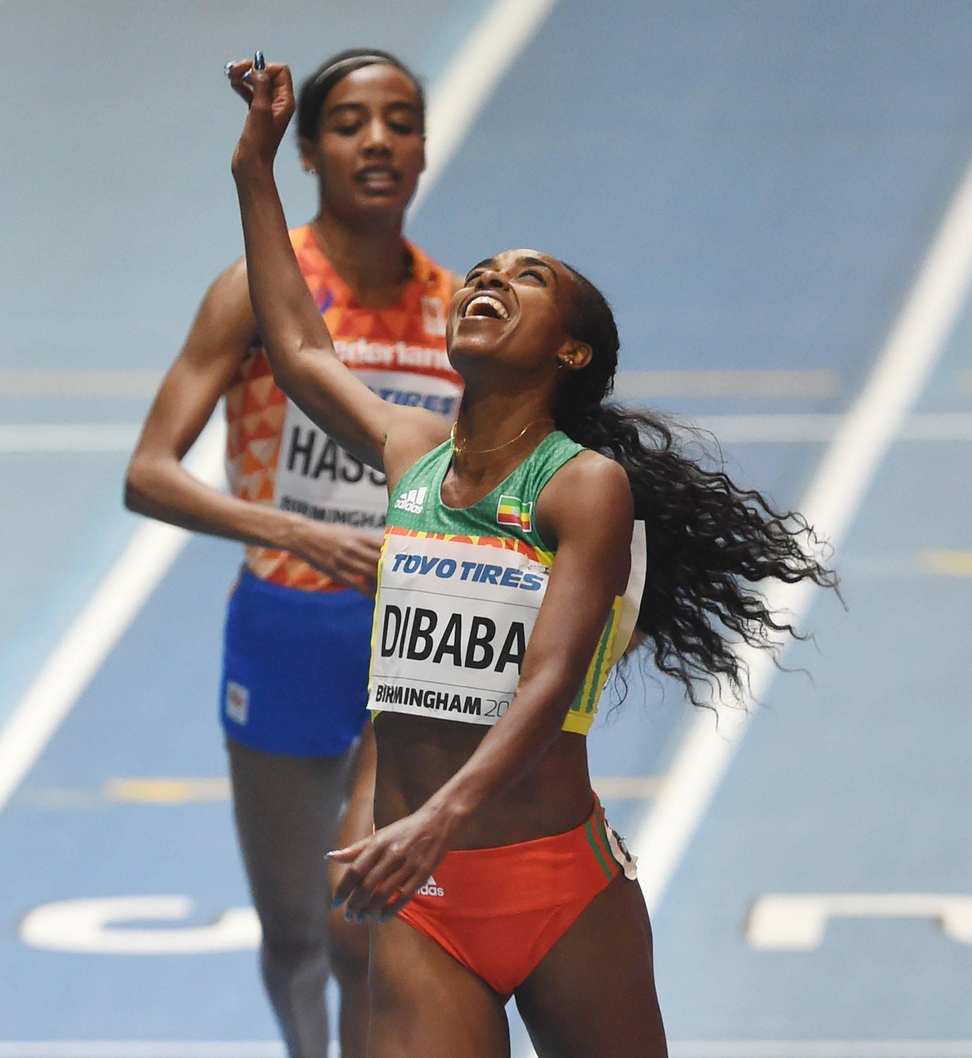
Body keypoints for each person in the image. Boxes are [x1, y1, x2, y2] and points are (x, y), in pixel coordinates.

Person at [225, 59, 834, 1056]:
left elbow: (546, 684)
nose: (487, 281)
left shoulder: (579, 485)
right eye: (480, 272)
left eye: (527, 278)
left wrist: (435, 815)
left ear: (573, 353)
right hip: (420, 894)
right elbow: (297, 348)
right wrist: (255, 166)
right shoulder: (412, 453)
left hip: (556, 884)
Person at [126, 49, 460, 1058]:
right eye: (352, 121)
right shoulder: (256, 294)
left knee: (371, 909)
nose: (378, 140)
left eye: (400, 120)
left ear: (422, 148)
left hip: (415, 633)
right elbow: (149, 472)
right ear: (308, 149)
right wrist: (297, 529)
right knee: (294, 928)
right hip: (287, 622)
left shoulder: (458, 310)